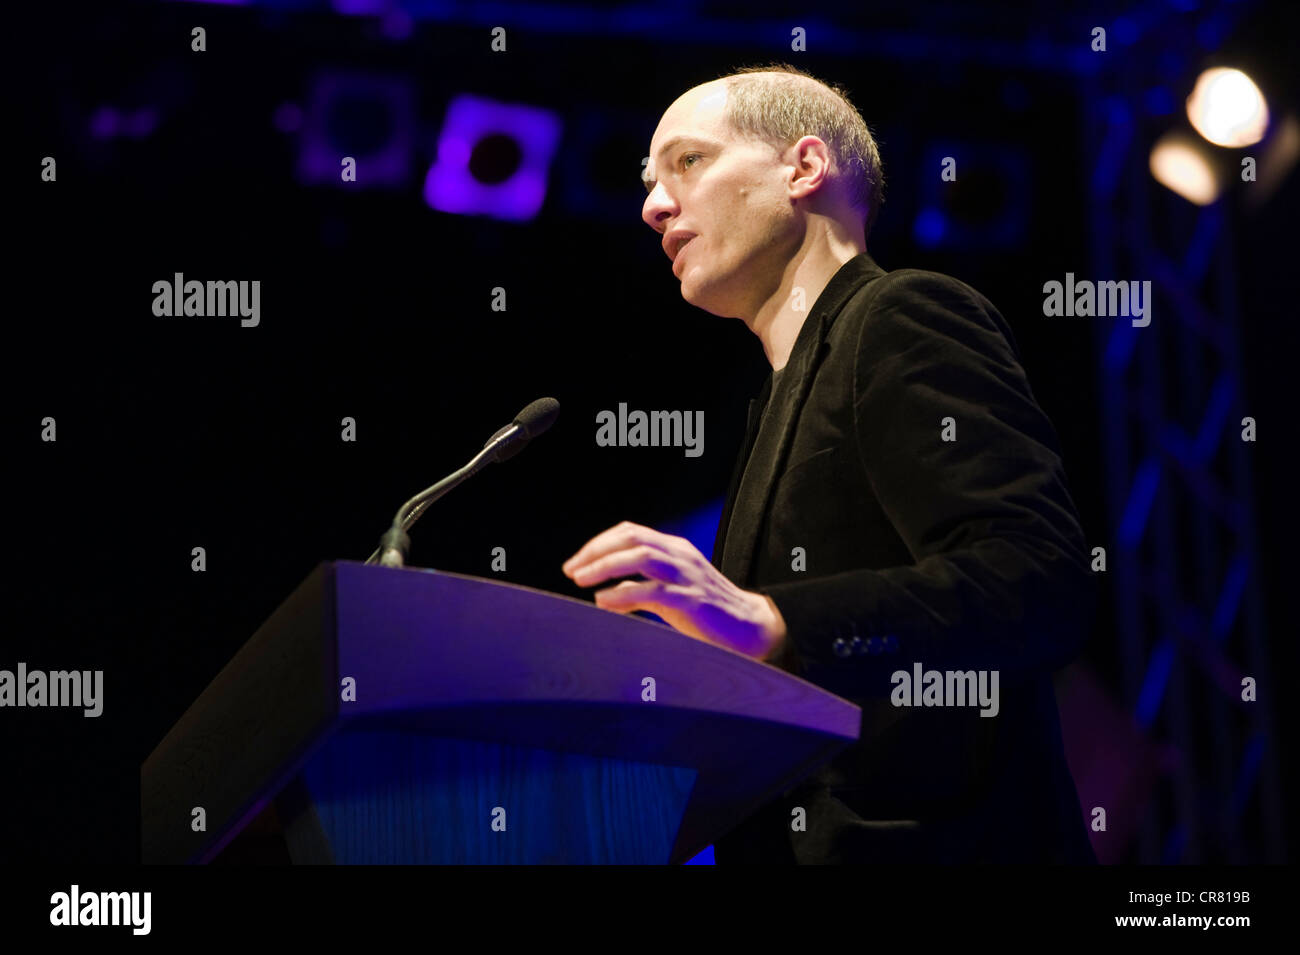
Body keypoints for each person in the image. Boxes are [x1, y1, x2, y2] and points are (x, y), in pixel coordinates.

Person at [561, 63, 1097, 863]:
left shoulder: (904, 316)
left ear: (804, 168)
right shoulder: (777, 398)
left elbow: (1037, 579)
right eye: (648, 179)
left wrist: (776, 621)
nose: (652, 204)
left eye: (688, 162)